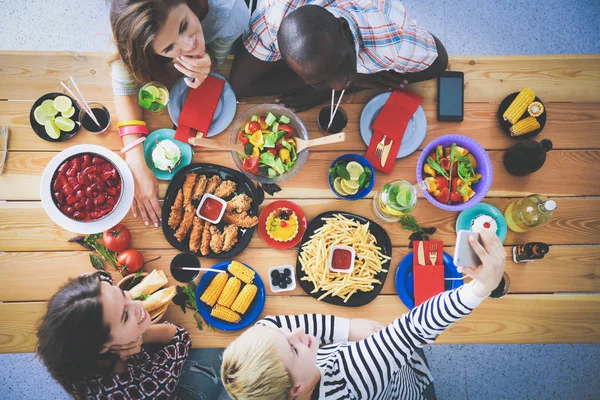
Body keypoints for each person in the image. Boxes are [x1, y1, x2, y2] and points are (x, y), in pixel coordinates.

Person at [221, 230, 506, 399]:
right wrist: (481, 287)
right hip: (398, 385)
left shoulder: (265, 378)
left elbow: (270, 324)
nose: (295, 333)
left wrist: (348, 328)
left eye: (282, 334)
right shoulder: (351, 377)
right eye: (293, 348)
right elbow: (412, 329)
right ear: (296, 388)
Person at [107, 0, 250, 228]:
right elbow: (124, 84)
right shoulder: (133, 23)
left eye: (184, 25)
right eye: (168, 48)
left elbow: (215, 57)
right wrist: (134, 158)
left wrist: (209, 63)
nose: (189, 45)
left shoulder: (232, 13)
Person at [229, 1, 448, 112]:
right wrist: (357, 79)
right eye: (318, 81)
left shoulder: (391, 38)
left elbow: (439, 62)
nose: (340, 85)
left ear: (344, 28)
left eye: (340, 65)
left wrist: (324, 91)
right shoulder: (271, 23)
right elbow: (239, 87)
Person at [36, 271, 194, 398]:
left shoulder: (67, 342)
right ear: (103, 347)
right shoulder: (146, 389)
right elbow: (181, 337)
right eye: (125, 316)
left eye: (123, 293)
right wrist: (143, 336)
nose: (139, 304)